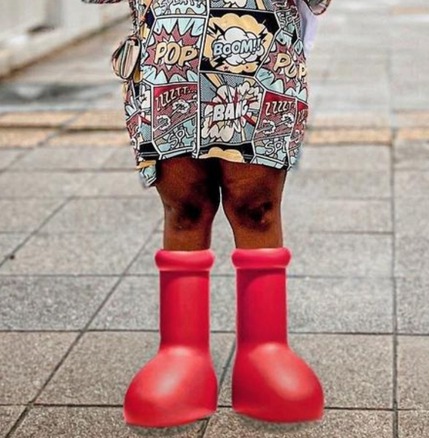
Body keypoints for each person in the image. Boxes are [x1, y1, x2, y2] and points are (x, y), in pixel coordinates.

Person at [84, 0, 330, 427]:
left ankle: (264, 353)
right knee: (185, 209)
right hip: (169, 57)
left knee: (257, 210)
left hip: (264, 58)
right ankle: (182, 354)